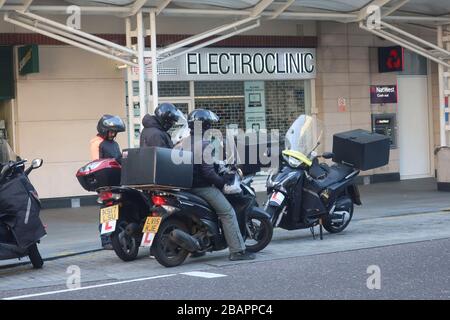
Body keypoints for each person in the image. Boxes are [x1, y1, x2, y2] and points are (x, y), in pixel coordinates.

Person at [187, 109, 255, 261]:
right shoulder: (205, 144)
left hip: (186, 187)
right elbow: (208, 172)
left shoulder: (183, 142)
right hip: (202, 188)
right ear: (205, 126)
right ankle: (237, 251)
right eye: (210, 125)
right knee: (227, 213)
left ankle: (196, 249)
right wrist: (221, 182)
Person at [90, 114, 125, 250]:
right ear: (104, 130)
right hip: (105, 182)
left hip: (117, 180)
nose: (113, 134)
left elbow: (118, 158)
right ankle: (105, 239)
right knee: (108, 210)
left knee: (118, 209)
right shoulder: (98, 143)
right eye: (111, 131)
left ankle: (116, 236)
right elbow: (98, 163)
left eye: (115, 132)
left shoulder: (113, 144)